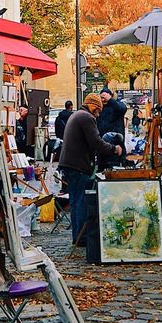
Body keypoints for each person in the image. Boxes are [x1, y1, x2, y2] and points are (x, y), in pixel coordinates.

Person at [59, 93, 122, 245]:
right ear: (93, 106)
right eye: (98, 110)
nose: (99, 114)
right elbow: (96, 142)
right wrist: (114, 149)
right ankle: (82, 238)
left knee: (75, 202)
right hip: (78, 165)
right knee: (80, 202)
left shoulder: (77, 115)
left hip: (70, 164)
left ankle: (78, 237)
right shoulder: (86, 117)